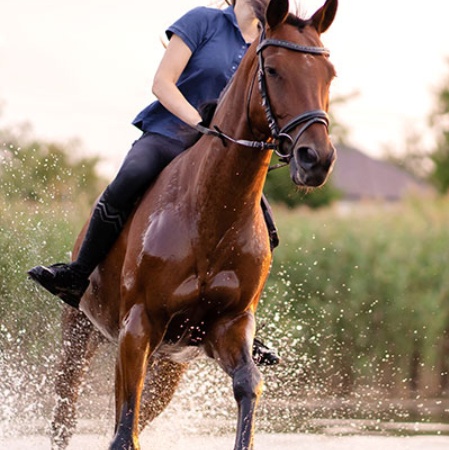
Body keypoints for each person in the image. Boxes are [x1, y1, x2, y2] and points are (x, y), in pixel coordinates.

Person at [28, 0, 279, 365]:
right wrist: (200, 125)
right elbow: (162, 84)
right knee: (130, 177)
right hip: (172, 134)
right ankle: (77, 274)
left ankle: (244, 324)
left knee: (266, 231)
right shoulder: (203, 21)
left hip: (220, 161)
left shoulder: (268, 42)